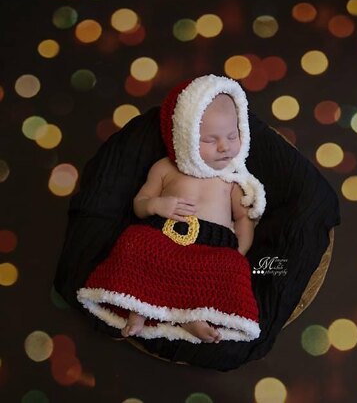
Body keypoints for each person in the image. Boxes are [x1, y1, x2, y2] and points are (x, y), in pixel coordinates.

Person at [77, 75, 267, 345]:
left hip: (212, 247)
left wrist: (239, 252)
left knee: (233, 269)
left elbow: (244, 219)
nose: (224, 146)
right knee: (133, 242)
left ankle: (187, 315)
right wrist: (156, 204)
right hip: (164, 237)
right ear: (184, 137)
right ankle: (141, 306)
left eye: (232, 135)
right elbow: (140, 203)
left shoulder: (232, 179)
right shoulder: (165, 167)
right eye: (210, 140)